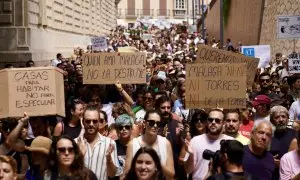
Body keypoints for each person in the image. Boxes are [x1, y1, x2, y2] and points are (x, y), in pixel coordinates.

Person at [184, 109, 234, 180]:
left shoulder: (231, 141)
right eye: (210, 120)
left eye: (217, 120)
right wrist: (191, 155)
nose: (213, 122)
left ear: (224, 123)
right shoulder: (195, 140)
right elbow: (188, 170)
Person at [124, 110, 175, 180]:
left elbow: (171, 175)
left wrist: (158, 163)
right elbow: (127, 173)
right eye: (151, 122)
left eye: (158, 123)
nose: (155, 125)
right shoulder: (132, 144)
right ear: (144, 123)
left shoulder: (166, 143)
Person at [76, 105, 120, 179]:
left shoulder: (109, 143)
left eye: (95, 121)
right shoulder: (75, 143)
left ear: (99, 121)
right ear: (83, 121)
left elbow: (112, 175)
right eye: (88, 121)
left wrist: (109, 159)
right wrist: (80, 156)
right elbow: (70, 172)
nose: (91, 124)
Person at [269, 106, 297, 180]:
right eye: (277, 117)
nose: (281, 120)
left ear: (288, 119)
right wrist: (269, 160)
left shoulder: (296, 135)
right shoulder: (267, 136)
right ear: (272, 121)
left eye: (283, 116)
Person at [110, 114, 134, 180]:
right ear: (117, 130)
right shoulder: (112, 145)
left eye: (127, 127)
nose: (124, 129)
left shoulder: (137, 145)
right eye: (120, 127)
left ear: (131, 129)